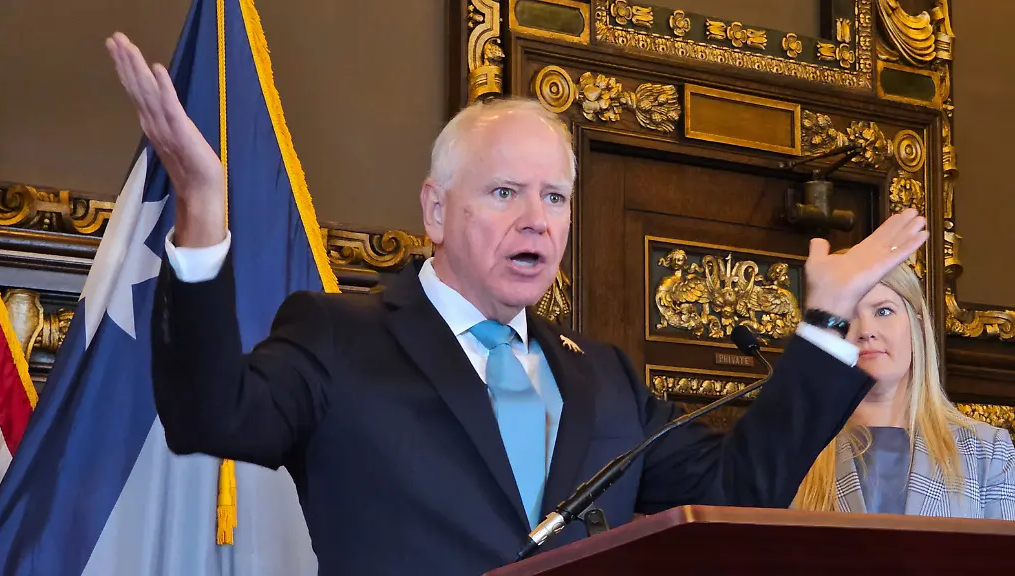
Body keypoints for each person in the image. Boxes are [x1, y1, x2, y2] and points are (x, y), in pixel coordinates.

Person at [105, 31, 929, 575]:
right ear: (434, 210)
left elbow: (734, 497)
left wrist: (822, 322)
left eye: (556, 198)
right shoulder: (337, 336)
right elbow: (210, 416)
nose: (538, 220)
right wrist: (203, 214)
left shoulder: (604, 377)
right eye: (505, 193)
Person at [793, 262, 1015, 518]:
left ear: (917, 326)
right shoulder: (792, 447)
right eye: (846, 316)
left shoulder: (987, 450)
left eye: (883, 311)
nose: (866, 331)